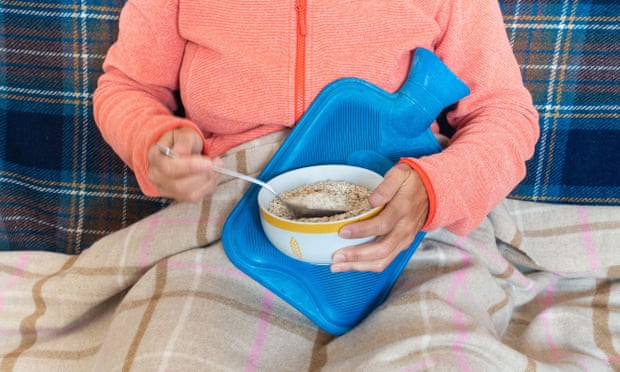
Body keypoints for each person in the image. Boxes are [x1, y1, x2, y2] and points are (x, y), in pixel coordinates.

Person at [93, 0, 539, 274]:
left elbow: (504, 114)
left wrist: (436, 189)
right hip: (225, 222)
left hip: (409, 228)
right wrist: (155, 142)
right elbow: (126, 87)